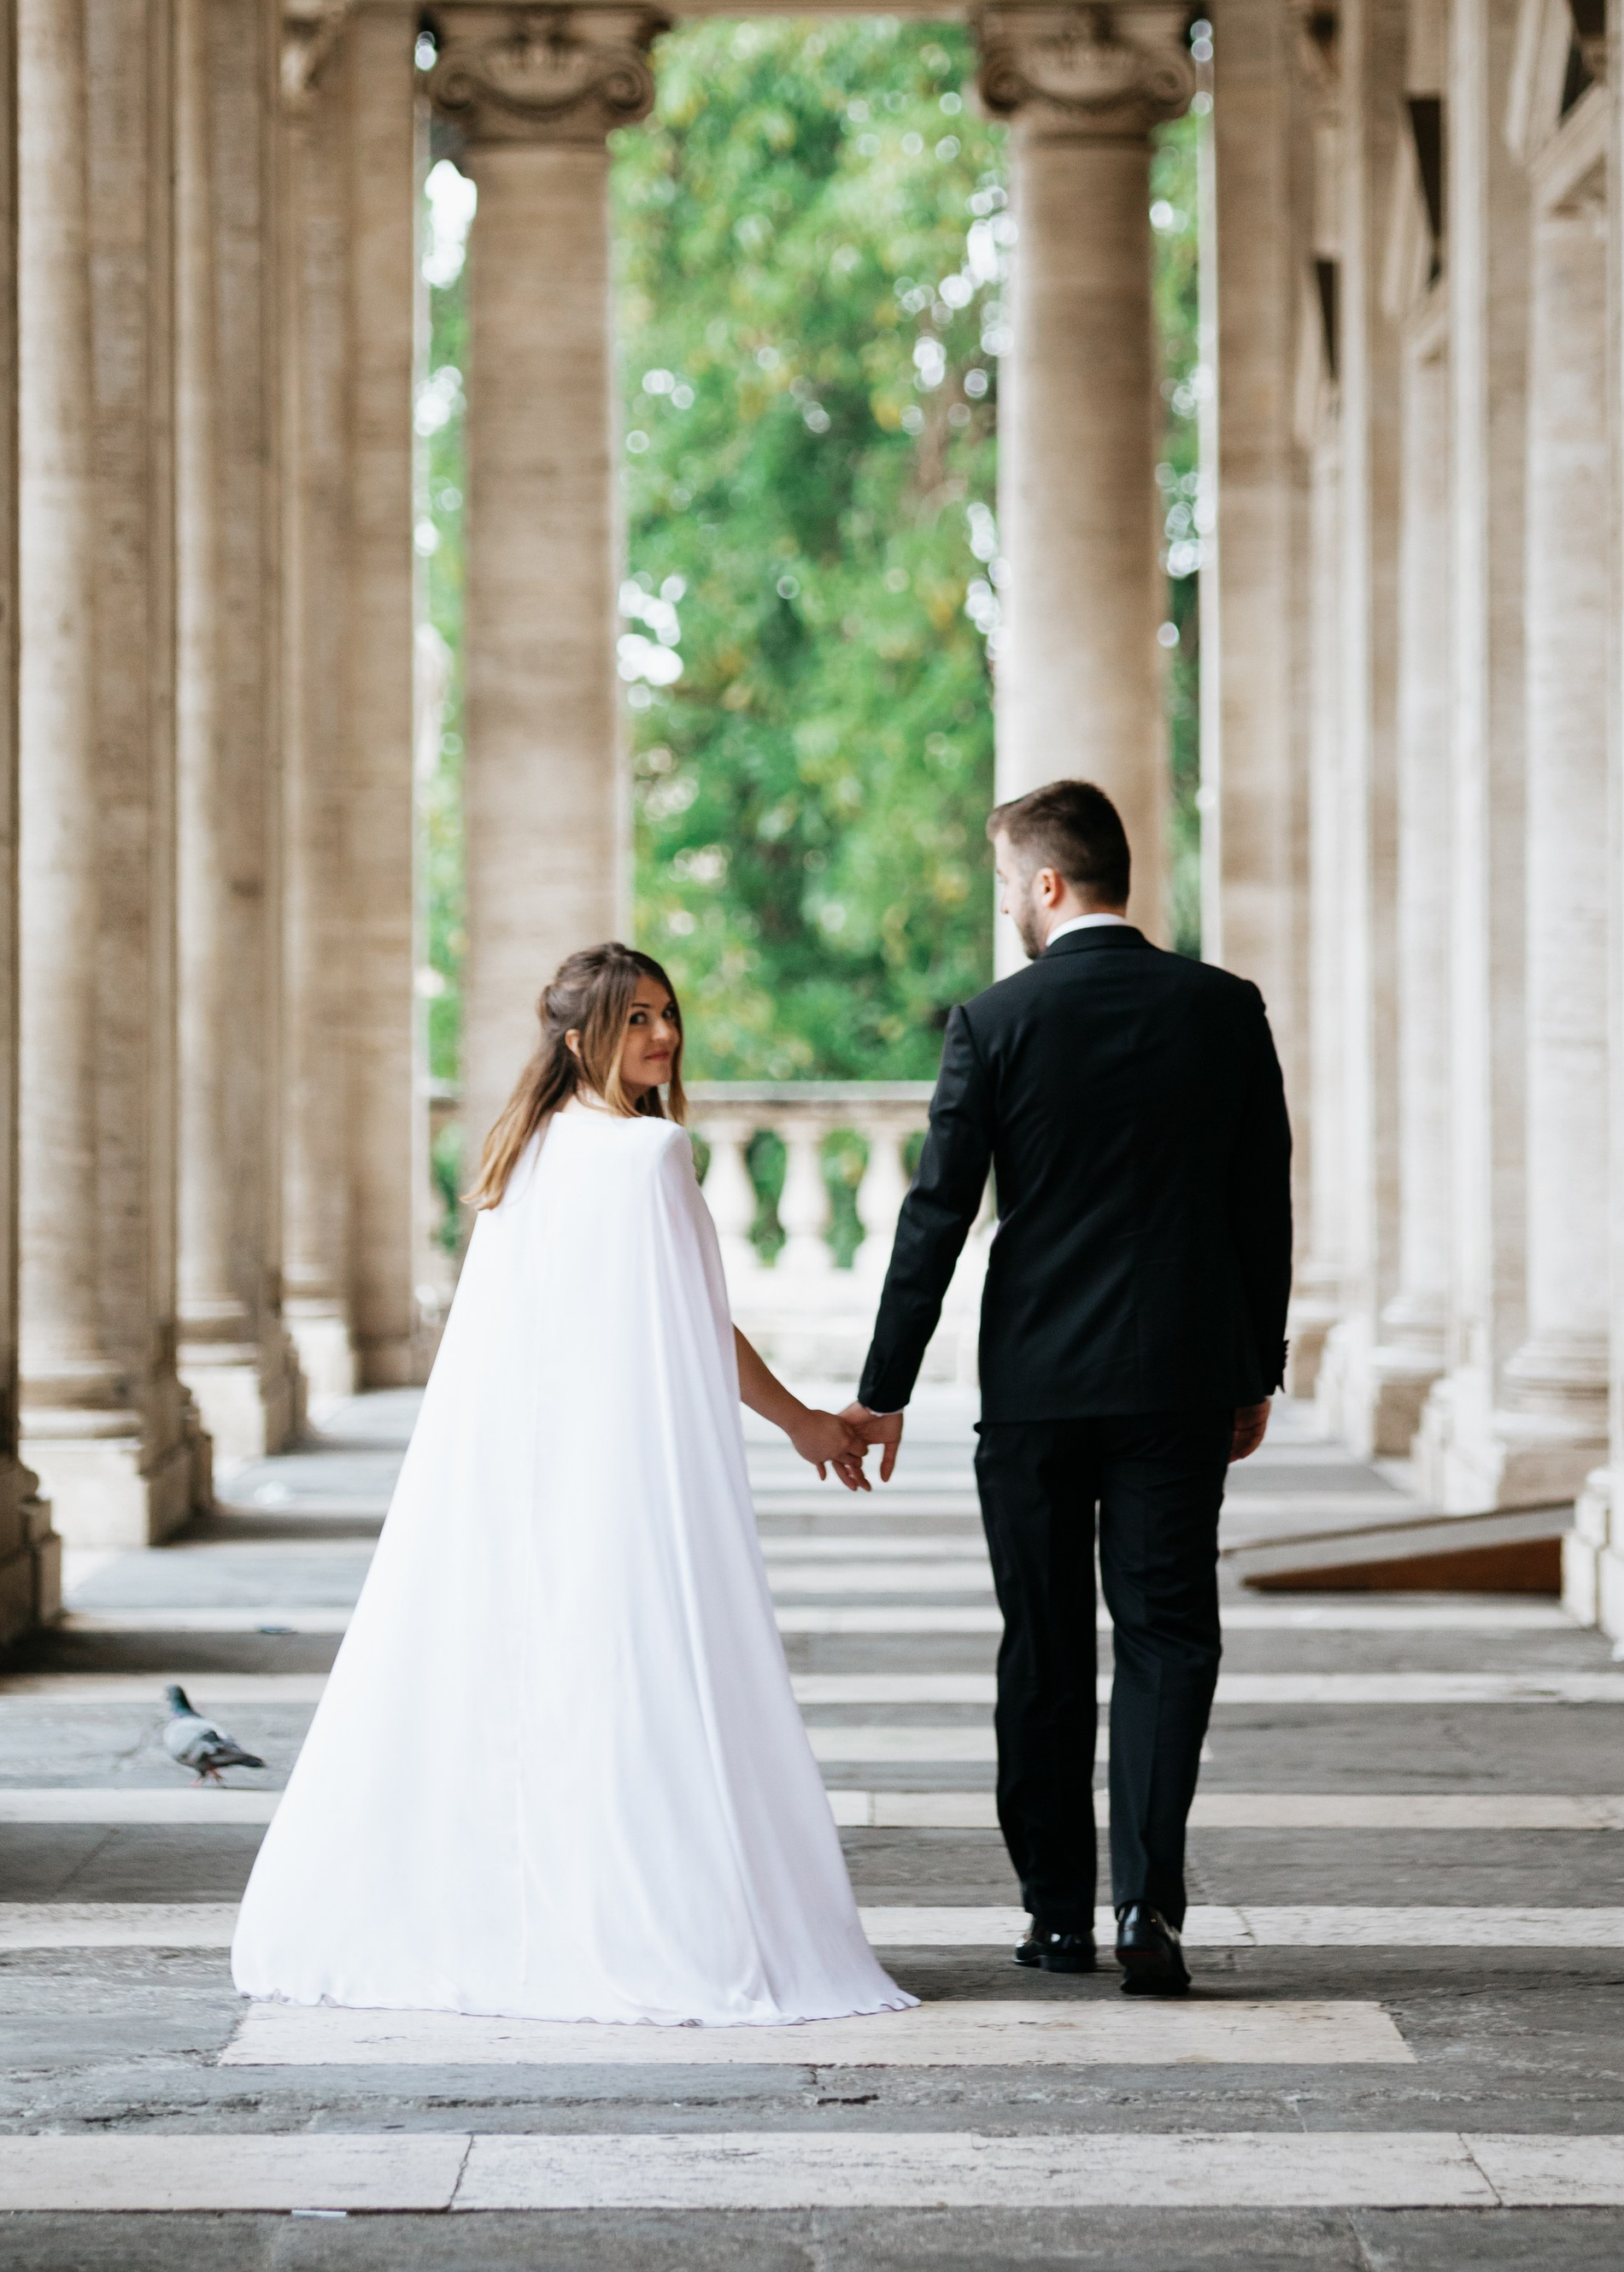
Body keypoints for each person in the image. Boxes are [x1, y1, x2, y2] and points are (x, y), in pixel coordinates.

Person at [232, 942, 912, 2029]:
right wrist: (805, 1425)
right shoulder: (647, 1156)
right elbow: (697, 1324)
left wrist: (800, 1423)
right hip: (626, 1469)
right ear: (575, 1033)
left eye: (666, 1014)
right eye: (636, 1018)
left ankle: (524, 1914)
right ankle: (645, 1919)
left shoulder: (520, 1153)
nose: (663, 1036)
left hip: (529, 1471)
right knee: (634, 1676)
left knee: (539, 1680)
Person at [841, 780, 1293, 1999]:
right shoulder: (1224, 1008)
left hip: (1037, 1387)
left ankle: (1055, 1915)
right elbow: (1264, 1204)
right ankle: (1149, 1904)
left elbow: (935, 1217)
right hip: (1182, 1380)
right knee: (1165, 1637)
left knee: (1043, 1648)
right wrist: (1262, 1366)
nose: (1009, 914)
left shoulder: (996, 1022)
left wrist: (882, 1390)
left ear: (1048, 884)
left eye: (1008, 890)